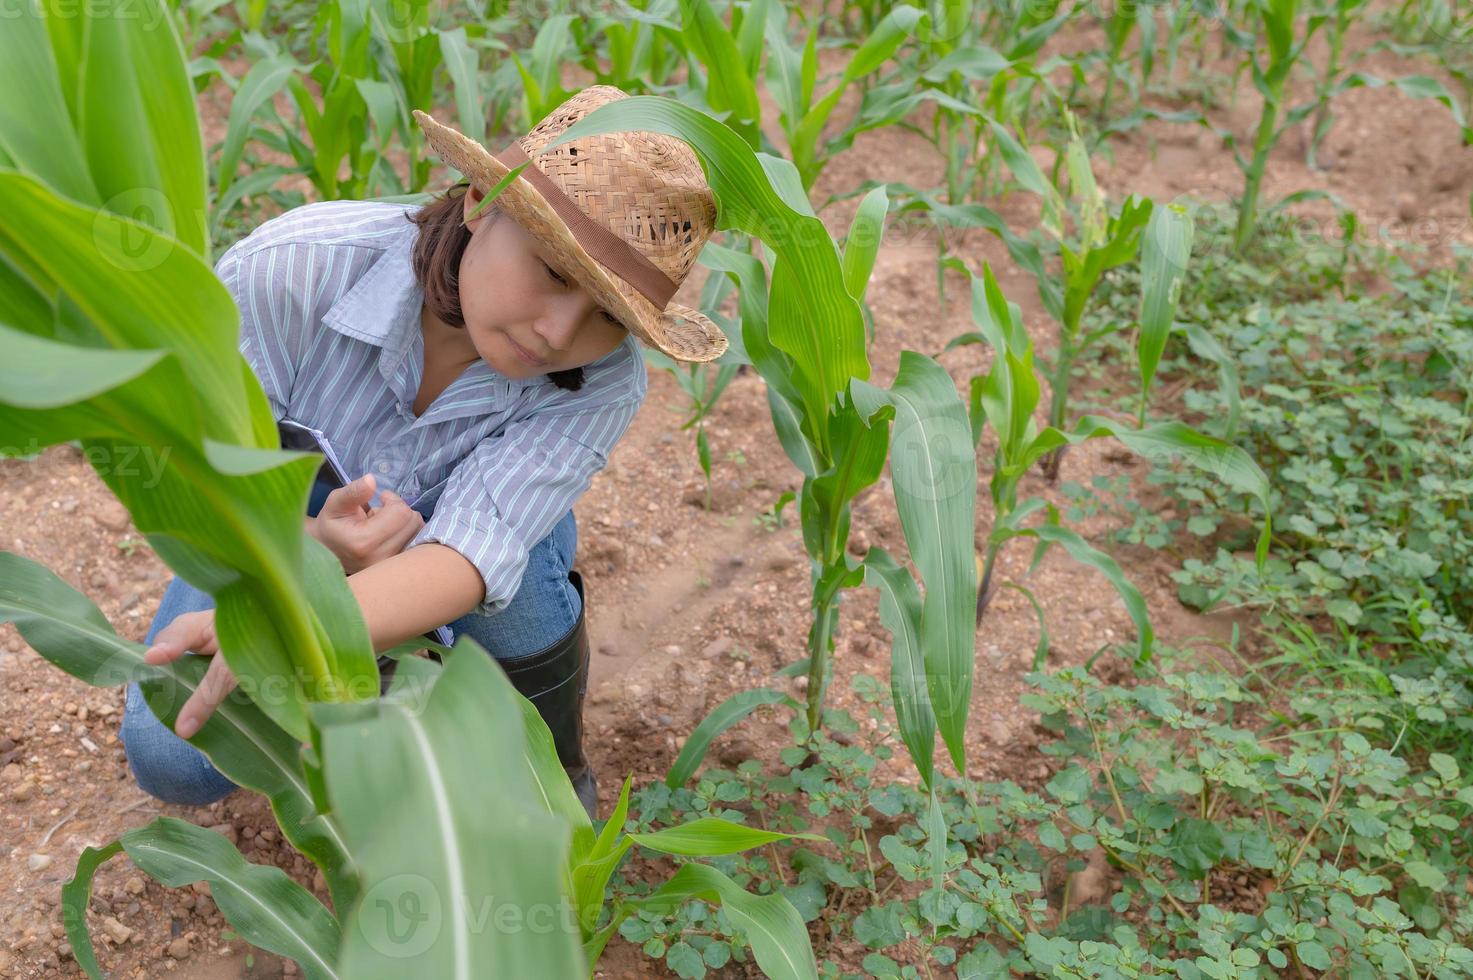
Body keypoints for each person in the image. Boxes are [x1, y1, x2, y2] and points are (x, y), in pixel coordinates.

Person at [118, 85, 728, 820]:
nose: (561, 334)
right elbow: (188, 478)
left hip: (475, 531)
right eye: (555, 272)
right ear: (480, 201)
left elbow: (470, 553)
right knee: (172, 756)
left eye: (607, 314)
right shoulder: (289, 273)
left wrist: (297, 623)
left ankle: (555, 782)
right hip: (278, 523)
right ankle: (367, 666)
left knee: (521, 678)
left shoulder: (604, 380)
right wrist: (304, 550)